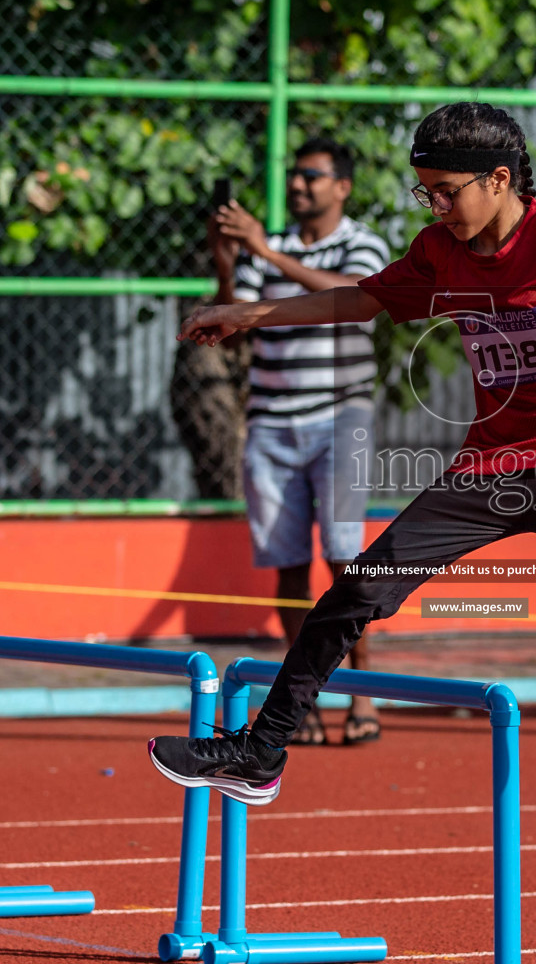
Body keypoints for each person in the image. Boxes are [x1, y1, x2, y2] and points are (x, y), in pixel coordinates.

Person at [148, 103, 536, 805]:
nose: (434, 205)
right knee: (359, 588)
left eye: (445, 191)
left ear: (498, 178)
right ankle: (260, 750)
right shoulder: (439, 251)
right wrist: (249, 313)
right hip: (490, 466)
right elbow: (361, 300)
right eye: (424, 190)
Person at [210, 137, 391, 746]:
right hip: (270, 422)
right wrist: (226, 262)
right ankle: (301, 700)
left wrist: (261, 249)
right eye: (294, 175)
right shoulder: (274, 248)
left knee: (347, 562)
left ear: (342, 185)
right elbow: (235, 329)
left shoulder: (363, 241)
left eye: (312, 176)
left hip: (343, 418)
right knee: (289, 570)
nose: (298, 185)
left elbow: (354, 298)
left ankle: (363, 695)